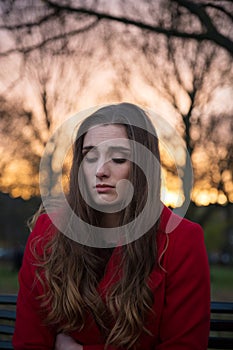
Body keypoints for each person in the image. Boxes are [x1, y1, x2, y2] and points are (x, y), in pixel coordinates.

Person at [13, 103, 210, 350]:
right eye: (90, 156)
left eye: (118, 158)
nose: (100, 171)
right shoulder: (48, 233)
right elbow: (29, 342)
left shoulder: (181, 240)